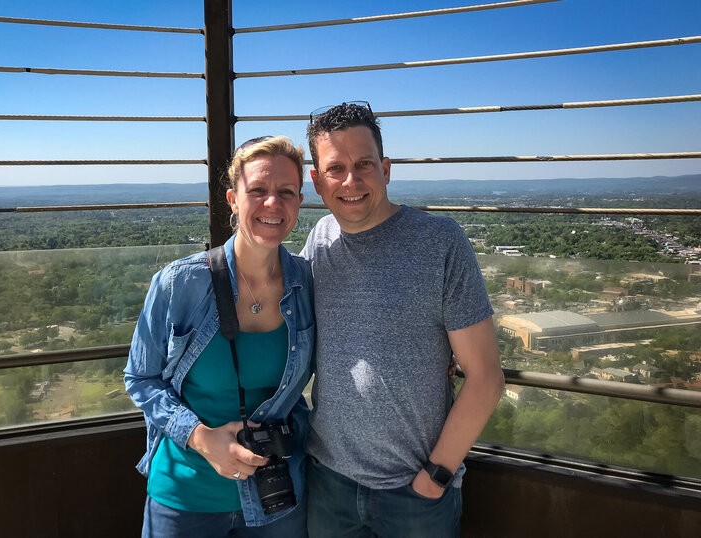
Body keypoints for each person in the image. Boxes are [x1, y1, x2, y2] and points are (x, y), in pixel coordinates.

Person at [301, 102, 504, 537]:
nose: (351, 181)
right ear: (317, 181)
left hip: (415, 494)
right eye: (335, 168)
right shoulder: (318, 239)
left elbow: (485, 377)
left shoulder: (440, 242)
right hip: (328, 482)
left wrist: (435, 478)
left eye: (364, 165)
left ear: (386, 169)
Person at [124, 135, 314, 537]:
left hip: (277, 499)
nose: (272, 204)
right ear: (232, 198)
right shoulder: (180, 284)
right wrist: (200, 437)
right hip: (185, 496)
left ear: (300, 201)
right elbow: (140, 378)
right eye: (257, 190)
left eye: (286, 192)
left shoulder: (308, 284)